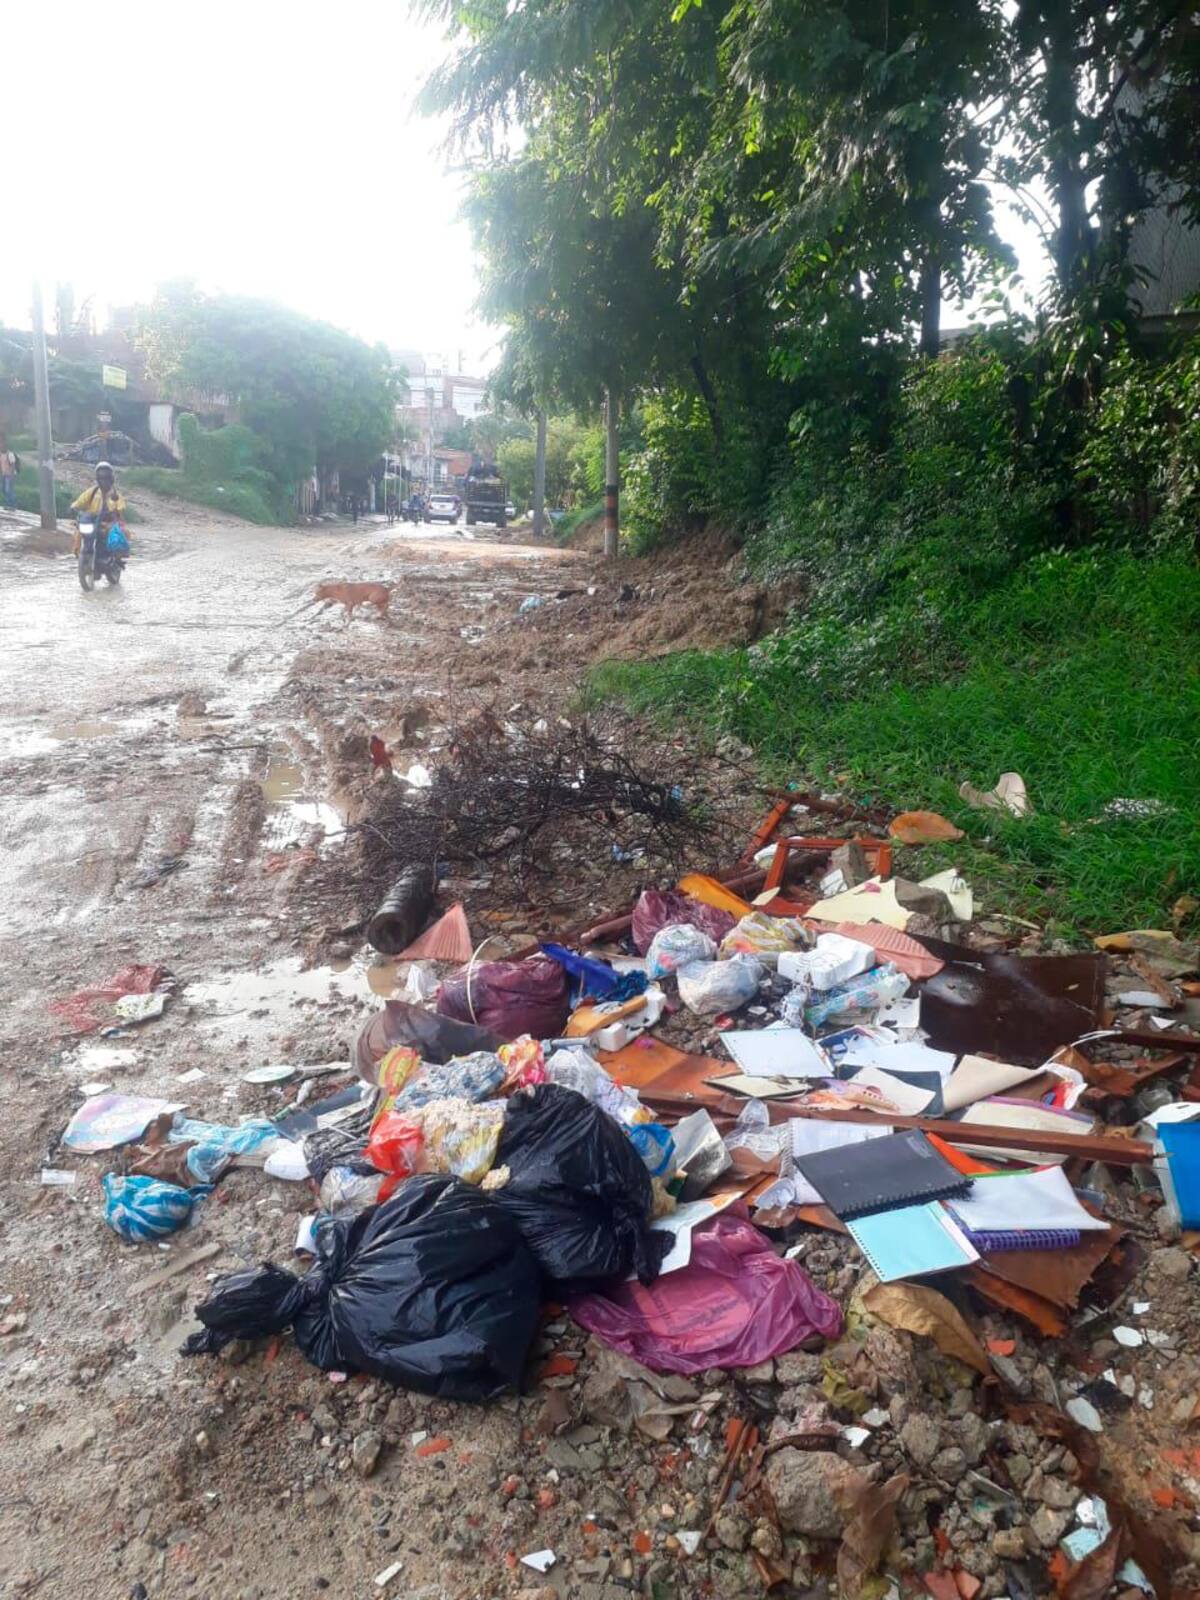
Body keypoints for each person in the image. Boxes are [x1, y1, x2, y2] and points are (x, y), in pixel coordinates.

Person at [70, 461, 127, 553]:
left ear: (111, 479)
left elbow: (121, 507)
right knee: (79, 530)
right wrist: (73, 508)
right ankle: (79, 552)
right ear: (97, 479)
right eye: (100, 478)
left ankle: (114, 555)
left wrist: (116, 511)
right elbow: (80, 501)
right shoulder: (92, 492)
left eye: (106, 478)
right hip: (91, 520)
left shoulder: (115, 494)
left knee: (117, 534)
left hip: (108, 521)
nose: (103, 481)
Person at [0, 436, 19, 510]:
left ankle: (11, 505)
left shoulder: (10, 454)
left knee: (9, 490)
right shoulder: (1, 455)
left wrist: (11, 475)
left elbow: (13, 465)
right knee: (4, 489)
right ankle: (10, 503)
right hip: (4, 474)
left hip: (10, 475)